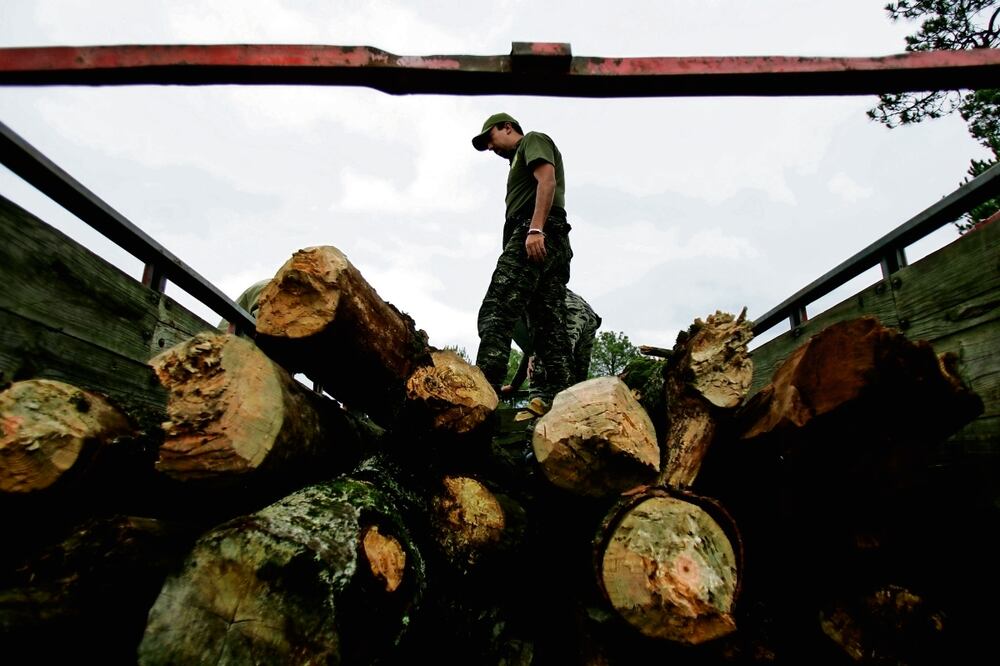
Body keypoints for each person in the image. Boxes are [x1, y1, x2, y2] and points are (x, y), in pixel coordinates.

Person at [472, 113, 574, 415]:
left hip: (535, 233)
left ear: (507, 127)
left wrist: (535, 228)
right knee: (549, 326)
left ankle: (481, 398)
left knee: (497, 309)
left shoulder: (532, 140)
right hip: (552, 238)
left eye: (490, 138)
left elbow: (547, 179)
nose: (490, 147)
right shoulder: (516, 160)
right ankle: (564, 402)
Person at [501, 288, 602, 405]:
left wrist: (534, 355)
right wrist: (514, 385)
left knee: (545, 365)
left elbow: (533, 350)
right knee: (577, 377)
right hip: (588, 314)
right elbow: (531, 350)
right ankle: (577, 407)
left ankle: (540, 405)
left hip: (565, 309)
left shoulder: (509, 305)